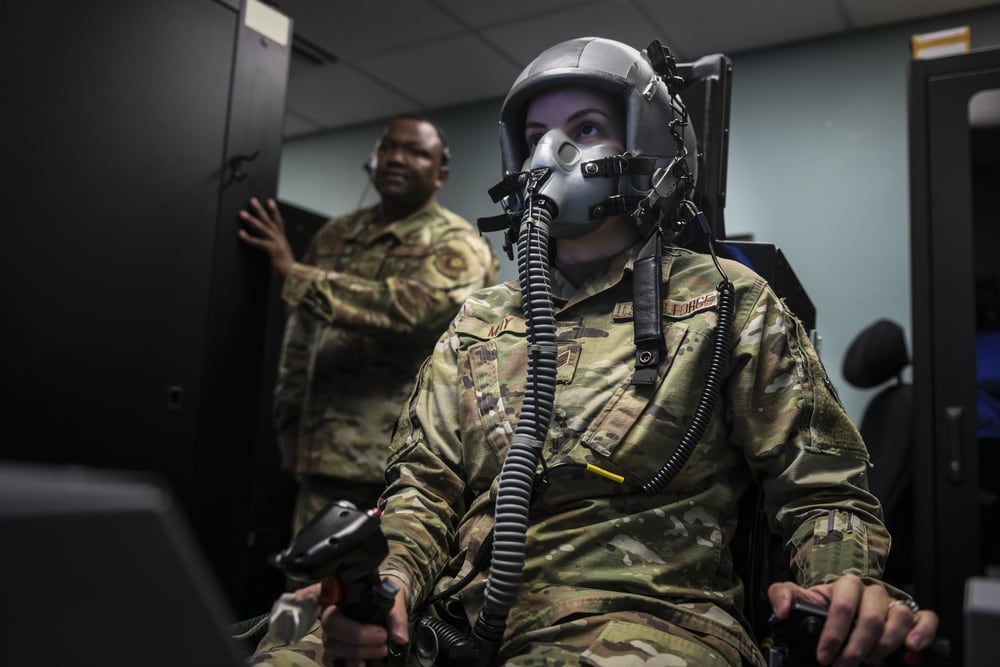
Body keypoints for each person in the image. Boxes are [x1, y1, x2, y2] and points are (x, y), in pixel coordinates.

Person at [250, 38, 938, 667]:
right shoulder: (482, 319)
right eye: (535, 136)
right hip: (458, 613)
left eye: (584, 129)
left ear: (646, 144)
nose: (552, 154)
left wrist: (847, 587)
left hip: (645, 619)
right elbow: (423, 490)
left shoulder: (728, 301)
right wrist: (390, 584)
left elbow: (821, 490)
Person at [238, 114, 499, 534]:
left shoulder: (458, 243)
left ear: (441, 174)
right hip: (324, 457)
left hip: (405, 466)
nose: (397, 158)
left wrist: (295, 274)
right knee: (309, 589)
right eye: (388, 148)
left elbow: (415, 310)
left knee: (387, 591)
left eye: (415, 152)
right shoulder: (335, 235)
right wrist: (289, 430)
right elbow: (301, 340)